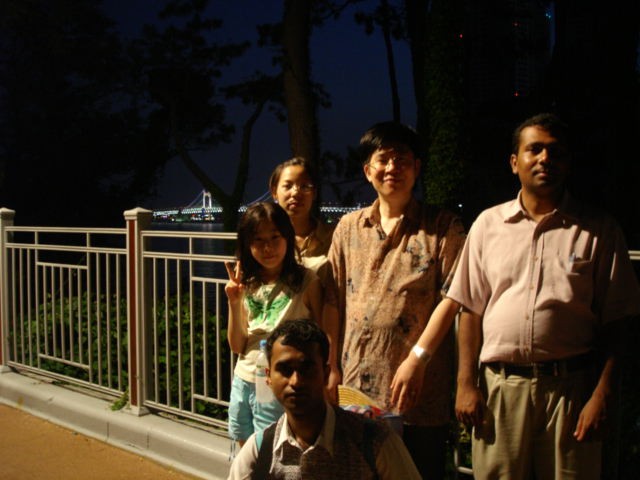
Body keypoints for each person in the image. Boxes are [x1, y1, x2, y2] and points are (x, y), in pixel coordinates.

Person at [449, 113, 640, 480]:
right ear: (514, 161)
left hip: (571, 390)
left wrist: (603, 393)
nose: (545, 159)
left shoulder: (599, 230)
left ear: (568, 163)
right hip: (501, 391)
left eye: (556, 152)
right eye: (534, 149)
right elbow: (470, 309)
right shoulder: (488, 225)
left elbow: (618, 321)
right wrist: (465, 384)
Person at [323, 121, 466, 479]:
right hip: (355, 391)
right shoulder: (348, 228)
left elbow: (453, 298)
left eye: (401, 159)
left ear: (416, 167)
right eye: (383, 159)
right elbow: (332, 301)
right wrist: (330, 365)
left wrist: (418, 358)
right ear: (367, 170)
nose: (392, 168)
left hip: (419, 394)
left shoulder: (444, 227)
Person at [227, 319, 422, 480]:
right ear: (268, 377)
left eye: (307, 368)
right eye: (285, 369)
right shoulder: (260, 451)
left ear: (326, 373)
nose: (296, 381)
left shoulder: (374, 442)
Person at [225, 202, 323, 447]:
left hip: (278, 382)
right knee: (243, 447)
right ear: (247, 244)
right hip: (243, 377)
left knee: (270, 449)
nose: (267, 248)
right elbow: (237, 346)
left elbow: (321, 337)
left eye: (275, 237)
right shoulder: (246, 283)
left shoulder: (306, 281)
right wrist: (234, 302)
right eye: (258, 240)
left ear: (287, 237)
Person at [269, 157, 335, 284]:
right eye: (287, 186)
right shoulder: (264, 240)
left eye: (304, 186)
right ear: (274, 192)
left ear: (314, 193)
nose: (295, 193)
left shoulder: (334, 238)